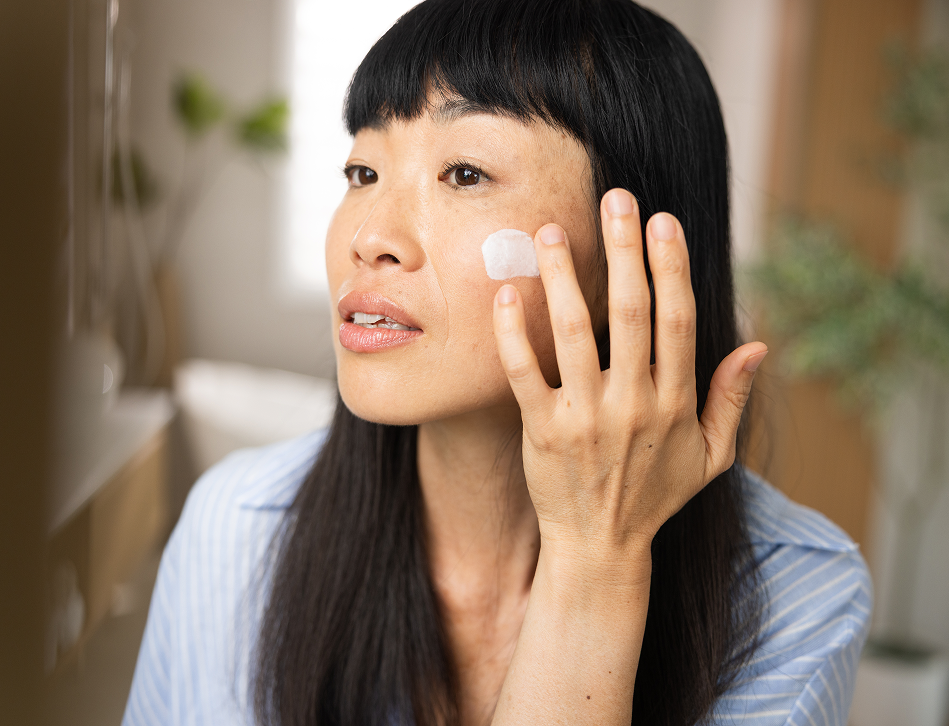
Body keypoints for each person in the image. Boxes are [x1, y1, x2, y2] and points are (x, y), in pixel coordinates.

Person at [123, 0, 872, 724]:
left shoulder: (797, 590)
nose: (369, 236)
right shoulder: (238, 532)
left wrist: (594, 562)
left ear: (632, 260)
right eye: (362, 172)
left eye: (465, 174)